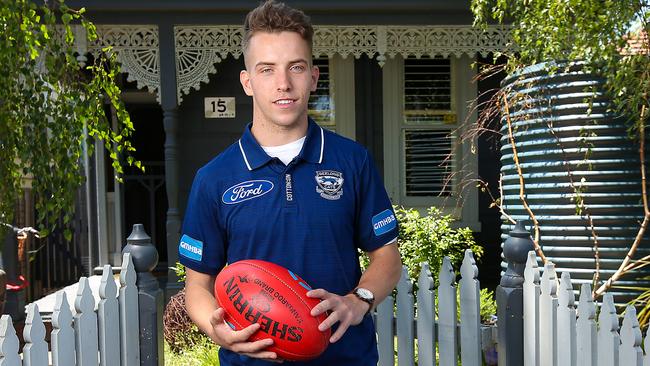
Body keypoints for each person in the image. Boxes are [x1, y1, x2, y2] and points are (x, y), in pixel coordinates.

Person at [179, 1, 402, 365]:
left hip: (345, 358)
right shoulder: (214, 178)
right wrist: (215, 328)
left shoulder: (352, 161)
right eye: (267, 70)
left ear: (313, 77)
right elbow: (197, 286)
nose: (283, 84)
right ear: (247, 82)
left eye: (295, 67)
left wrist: (358, 299)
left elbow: (387, 257)